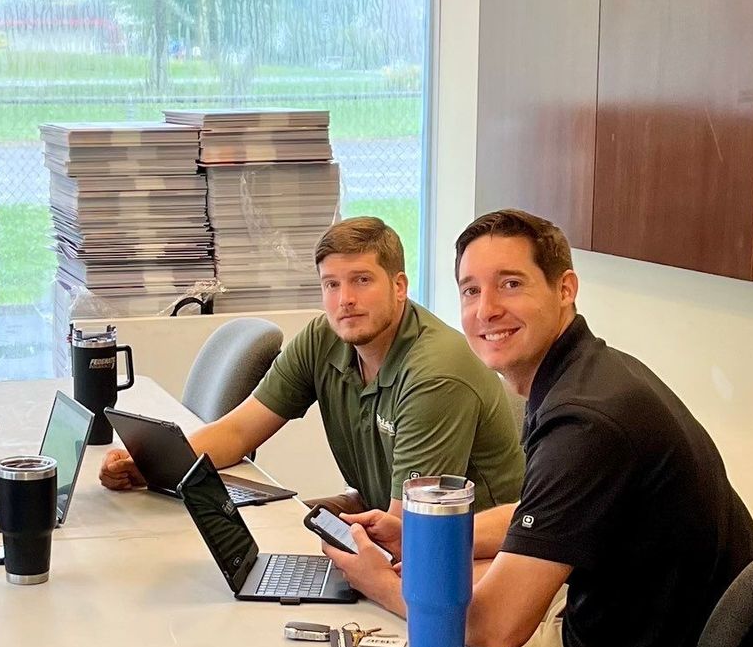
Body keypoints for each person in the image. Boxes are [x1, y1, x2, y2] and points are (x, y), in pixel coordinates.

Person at [321, 207, 753, 647]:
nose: (487, 311)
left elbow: (496, 625)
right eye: (471, 291)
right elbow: (548, 514)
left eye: (511, 285)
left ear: (565, 289)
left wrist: (378, 581)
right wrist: (423, 535)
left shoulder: (586, 422)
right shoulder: (589, 374)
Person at [100, 215, 524, 515]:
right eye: (331, 284)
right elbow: (238, 430)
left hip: (472, 558)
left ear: (399, 287)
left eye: (362, 280)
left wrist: (306, 526)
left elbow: (406, 528)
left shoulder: (435, 374)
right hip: (392, 524)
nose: (345, 300)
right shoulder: (325, 338)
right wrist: (154, 466)